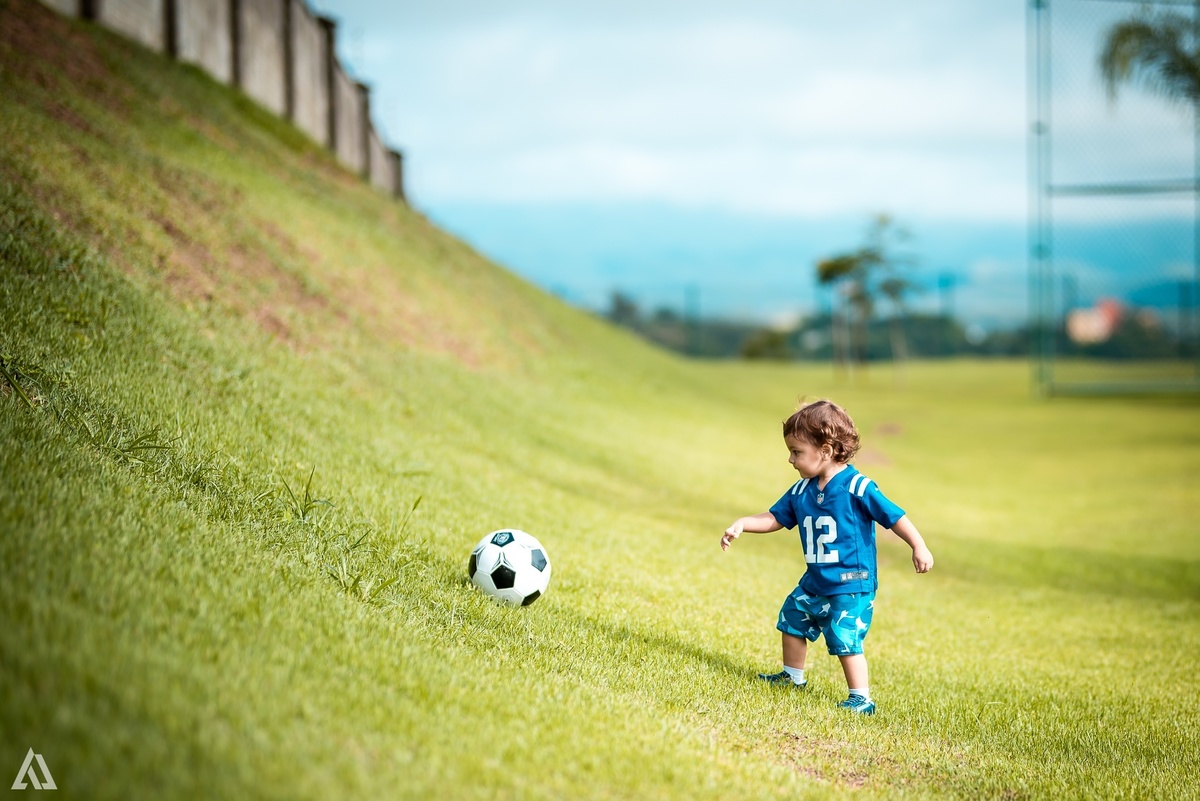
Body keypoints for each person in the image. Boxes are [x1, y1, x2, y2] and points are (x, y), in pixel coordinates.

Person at [720, 399, 933, 715]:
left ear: (826, 450)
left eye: (796, 452)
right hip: (816, 581)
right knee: (792, 619)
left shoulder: (857, 486)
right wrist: (744, 524)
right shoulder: (801, 490)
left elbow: (894, 516)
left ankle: (861, 698)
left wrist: (919, 546)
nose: (790, 459)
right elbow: (776, 517)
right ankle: (792, 678)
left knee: (844, 637)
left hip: (851, 583)